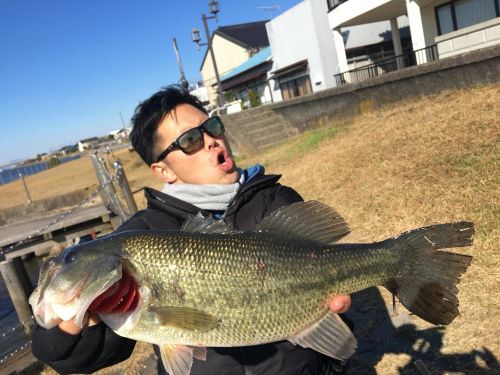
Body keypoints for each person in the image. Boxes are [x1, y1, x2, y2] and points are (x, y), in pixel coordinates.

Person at [31, 85, 352, 374]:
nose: (212, 140)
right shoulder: (142, 232)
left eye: (212, 126)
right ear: (162, 169)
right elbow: (70, 351)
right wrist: (78, 335)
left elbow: (329, 286)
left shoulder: (276, 199)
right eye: (190, 140)